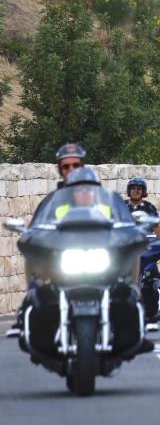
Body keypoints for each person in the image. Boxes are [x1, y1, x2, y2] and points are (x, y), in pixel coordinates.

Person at [6, 143, 87, 338]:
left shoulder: (97, 196)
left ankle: (135, 302)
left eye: (76, 165)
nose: (71, 170)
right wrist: (29, 231)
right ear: (60, 170)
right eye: (66, 166)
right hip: (62, 256)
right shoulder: (53, 201)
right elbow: (37, 225)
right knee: (32, 255)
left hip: (95, 253)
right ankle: (31, 300)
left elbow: (116, 221)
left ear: (83, 167)